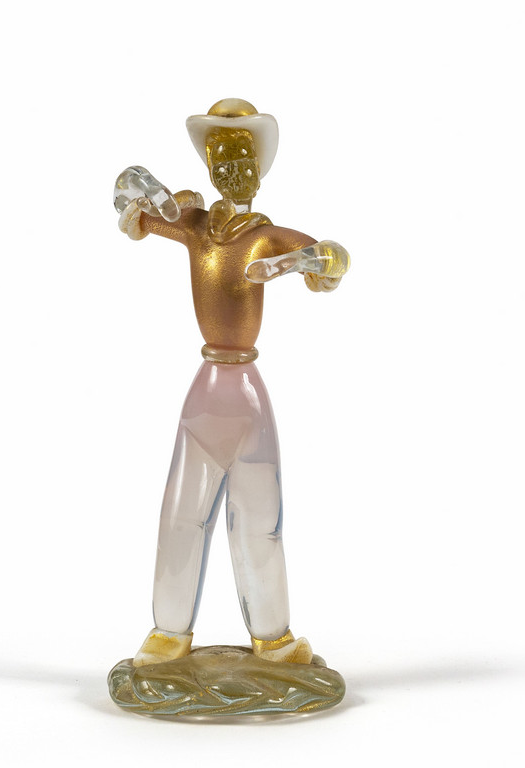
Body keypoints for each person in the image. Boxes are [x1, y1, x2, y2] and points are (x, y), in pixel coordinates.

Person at [115, 99, 349, 667]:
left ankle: (273, 640)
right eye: (221, 159)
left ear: (259, 172)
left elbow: (331, 260)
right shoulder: (195, 226)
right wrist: (135, 195)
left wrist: (315, 261)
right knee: (182, 510)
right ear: (210, 168)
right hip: (208, 390)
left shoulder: (265, 237)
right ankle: (168, 635)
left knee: (258, 517)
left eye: (243, 159)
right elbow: (135, 216)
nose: (233, 169)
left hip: (245, 391)